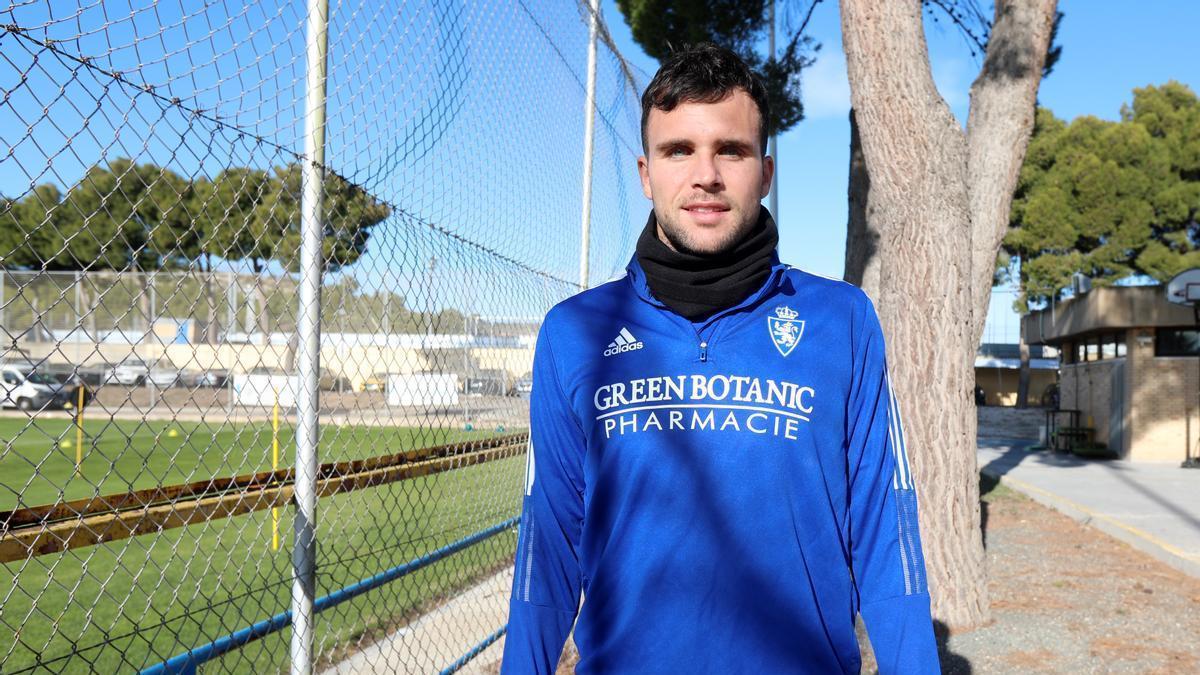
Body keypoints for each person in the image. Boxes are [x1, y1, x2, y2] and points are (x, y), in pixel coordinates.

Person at [501, 43, 939, 674]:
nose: (705, 174)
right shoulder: (574, 333)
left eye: (729, 150)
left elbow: (883, 530)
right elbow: (549, 547)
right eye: (678, 150)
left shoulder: (842, 320)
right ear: (647, 173)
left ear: (764, 172)